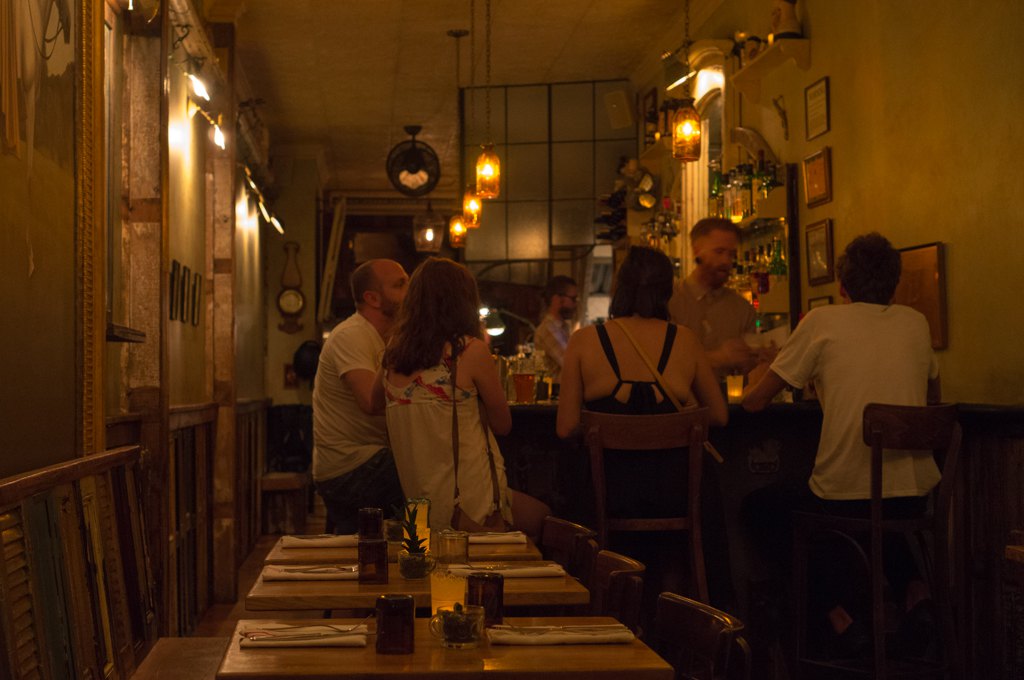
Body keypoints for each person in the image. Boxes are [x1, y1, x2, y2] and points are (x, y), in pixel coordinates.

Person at [741, 232, 941, 654]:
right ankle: (917, 593)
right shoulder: (916, 322)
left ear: (842, 285)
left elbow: (755, 402)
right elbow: (933, 398)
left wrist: (766, 364)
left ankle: (838, 616)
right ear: (894, 284)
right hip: (914, 497)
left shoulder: (822, 322)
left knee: (762, 508)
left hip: (846, 501)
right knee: (880, 509)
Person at [381, 257, 549, 538]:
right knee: (544, 519)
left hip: (419, 507)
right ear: (464, 301)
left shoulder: (392, 356)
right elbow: (503, 425)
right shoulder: (469, 351)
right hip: (468, 502)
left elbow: (377, 405)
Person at [311, 259, 409, 534]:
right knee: (430, 478)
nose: (409, 291)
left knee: (434, 468)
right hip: (350, 465)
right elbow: (371, 402)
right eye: (400, 285)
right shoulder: (351, 335)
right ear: (372, 298)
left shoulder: (387, 337)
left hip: (371, 458)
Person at [668, 218, 761, 378]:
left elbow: (750, 374)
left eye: (731, 254)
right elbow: (662, 363)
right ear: (696, 251)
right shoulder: (670, 301)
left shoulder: (743, 309)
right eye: (719, 252)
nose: (726, 261)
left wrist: (760, 360)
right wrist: (719, 358)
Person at [533, 275, 578, 383]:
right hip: (554, 391)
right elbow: (571, 363)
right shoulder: (548, 329)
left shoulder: (562, 327)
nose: (575, 304)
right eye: (573, 299)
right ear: (556, 299)